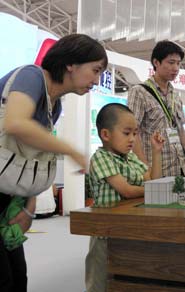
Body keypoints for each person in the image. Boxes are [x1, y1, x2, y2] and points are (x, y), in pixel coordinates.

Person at [0, 33, 107, 292]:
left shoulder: (54, 105)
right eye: (95, 70)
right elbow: (15, 123)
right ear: (71, 63)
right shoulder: (31, 76)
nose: (96, 80)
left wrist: (28, 207)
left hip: (7, 198)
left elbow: (32, 158)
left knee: (17, 278)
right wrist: (72, 150)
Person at [85, 103, 164, 292]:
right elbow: (126, 191)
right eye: (126, 133)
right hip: (106, 232)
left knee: (124, 278)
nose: (132, 139)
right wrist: (152, 190)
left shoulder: (131, 158)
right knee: (100, 279)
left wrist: (156, 152)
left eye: (135, 133)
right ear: (106, 134)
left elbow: (154, 180)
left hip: (129, 229)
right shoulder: (101, 158)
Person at [128, 40, 185, 178]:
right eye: (171, 62)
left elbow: (181, 131)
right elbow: (133, 133)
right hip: (158, 172)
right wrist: (145, 169)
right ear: (156, 62)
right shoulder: (139, 92)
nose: (176, 68)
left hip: (181, 169)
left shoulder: (174, 95)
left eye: (178, 63)